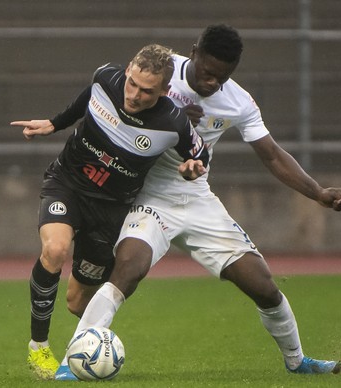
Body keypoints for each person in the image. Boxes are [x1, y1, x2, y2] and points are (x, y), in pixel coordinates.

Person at [55, 24, 341, 381]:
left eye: (222, 77)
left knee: (262, 285)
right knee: (128, 269)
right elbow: (120, 97)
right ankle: (72, 360)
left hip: (196, 199)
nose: (212, 83)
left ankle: (297, 360)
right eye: (208, 73)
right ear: (193, 52)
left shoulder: (238, 101)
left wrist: (317, 193)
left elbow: (271, 155)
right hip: (148, 196)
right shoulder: (162, 72)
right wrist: (165, 111)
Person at [11, 43, 209, 380]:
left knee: (77, 303)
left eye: (147, 91)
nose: (133, 95)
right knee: (55, 249)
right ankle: (38, 348)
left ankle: (92, 350)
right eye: (132, 82)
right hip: (68, 184)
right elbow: (88, 96)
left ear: (164, 91)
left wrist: (193, 167)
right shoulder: (107, 78)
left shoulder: (172, 122)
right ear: (128, 69)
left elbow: (199, 155)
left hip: (112, 210)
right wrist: (54, 123)